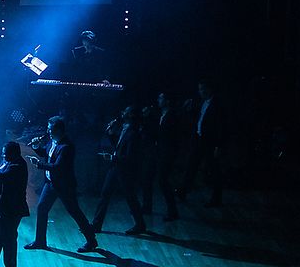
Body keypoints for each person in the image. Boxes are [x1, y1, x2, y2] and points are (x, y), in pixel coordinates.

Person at [26, 116, 99, 252]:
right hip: (51, 183)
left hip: (64, 186)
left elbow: (58, 166)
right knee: (42, 208)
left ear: (58, 130)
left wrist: (39, 165)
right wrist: (36, 147)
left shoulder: (66, 147)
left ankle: (91, 240)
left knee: (75, 212)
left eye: (50, 129)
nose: (48, 131)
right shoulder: (53, 141)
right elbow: (46, 154)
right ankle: (40, 241)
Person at [91, 107, 146, 236]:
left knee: (130, 197)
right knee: (105, 194)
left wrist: (112, 157)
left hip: (124, 169)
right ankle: (96, 224)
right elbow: (119, 146)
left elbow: (130, 156)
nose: (122, 113)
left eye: (126, 111)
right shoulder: (124, 128)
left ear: (131, 114)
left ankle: (140, 224)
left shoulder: (133, 133)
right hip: (116, 167)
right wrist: (110, 134)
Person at [178, 80, 224, 206]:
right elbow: (199, 119)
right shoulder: (203, 102)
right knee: (191, 166)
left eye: (202, 89)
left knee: (214, 170)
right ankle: (183, 191)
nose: (200, 92)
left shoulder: (217, 104)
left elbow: (221, 126)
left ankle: (216, 198)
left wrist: (218, 146)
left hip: (209, 142)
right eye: (199, 89)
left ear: (209, 89)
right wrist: (189, 110)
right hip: (199, 139)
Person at [152, 92, 181, 221]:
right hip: (162, 151)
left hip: (167, 153)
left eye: (161, 97)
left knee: (163, 180)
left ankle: (172, 211)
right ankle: (172, 210)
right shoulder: (162, 115)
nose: (158, 99)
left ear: (167, 101)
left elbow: (173, 137)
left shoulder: (172, 116)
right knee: (162, 180)